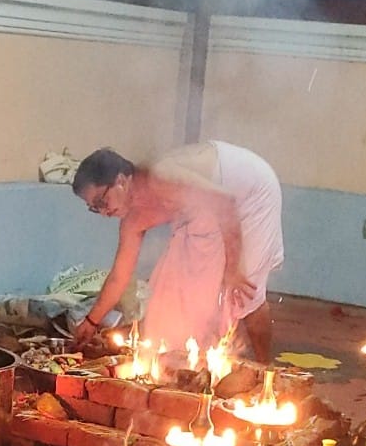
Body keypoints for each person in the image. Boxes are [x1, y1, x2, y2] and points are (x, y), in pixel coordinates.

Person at [70, 140, 284, 360]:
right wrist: (91, 321)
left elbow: (225, 203)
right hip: (207, 210)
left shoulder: (159, 177)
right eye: (95, 208)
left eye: (101, 201)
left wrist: (233, 269)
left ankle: (264, 370)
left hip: (249, 193)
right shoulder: (132, 221)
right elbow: (119, 276)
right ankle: (193, 363)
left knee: (242, 292)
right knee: (174, 287)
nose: (104, 213)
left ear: (121, 181)